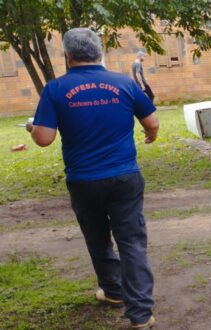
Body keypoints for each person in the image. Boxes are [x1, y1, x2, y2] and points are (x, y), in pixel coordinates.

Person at [26, 28, 159, 329]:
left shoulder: (55, 89)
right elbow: (152, 121)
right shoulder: (124, 84)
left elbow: (44, 138)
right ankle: (140, 315)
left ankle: (113, 292)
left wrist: (31, 128)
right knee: (132, 242)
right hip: (125, 176)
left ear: (68, 55)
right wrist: (150, 134)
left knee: (98, 239)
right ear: (100, 52)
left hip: (84, 181)